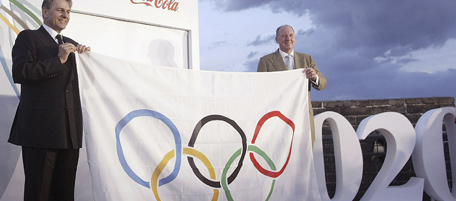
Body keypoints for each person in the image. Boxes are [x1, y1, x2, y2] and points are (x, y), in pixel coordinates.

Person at [8, 0, 90, 200]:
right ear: (45, 12)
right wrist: (58, 60)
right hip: (40, 132)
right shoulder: (28, 38)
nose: (65, 15)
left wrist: (88, 59)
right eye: (60, 10)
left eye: (68, 11)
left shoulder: (72, 43)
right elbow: (20, 72)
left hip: (69, 134)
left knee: (64, 194)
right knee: (39, 194)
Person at [257, 24, 326, 144]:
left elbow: (322, 83)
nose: (287, 39)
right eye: (283, 36)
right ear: (277, 40)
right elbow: (260, 91)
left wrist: (314, 77)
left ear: (294, 38)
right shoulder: (265, 62)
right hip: (277, 120)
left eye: (290, 35)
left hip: (303, 118)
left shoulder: (307, 60)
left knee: (305, 158)